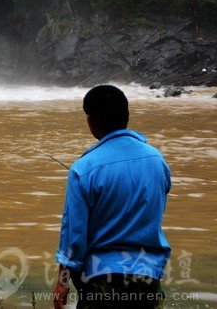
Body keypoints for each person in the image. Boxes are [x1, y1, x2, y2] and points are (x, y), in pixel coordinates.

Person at [53, 85, 171, 309]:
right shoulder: (157, 160)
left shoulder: (83, 168)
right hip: (147, 274)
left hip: (100, 277)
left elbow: (73, 236)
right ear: (126, 115)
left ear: (90, 121)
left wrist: (62, 283)